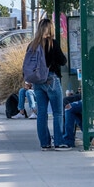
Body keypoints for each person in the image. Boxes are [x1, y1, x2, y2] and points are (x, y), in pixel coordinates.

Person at [28, 18, 70, 151]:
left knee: (42, 113)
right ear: (50, 29)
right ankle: (59, 141)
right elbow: (63, 61)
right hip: (51, 79)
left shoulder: (32, 45)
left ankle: (44, 143)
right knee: (58, 112)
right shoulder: (52, 44)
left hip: (37, 82)